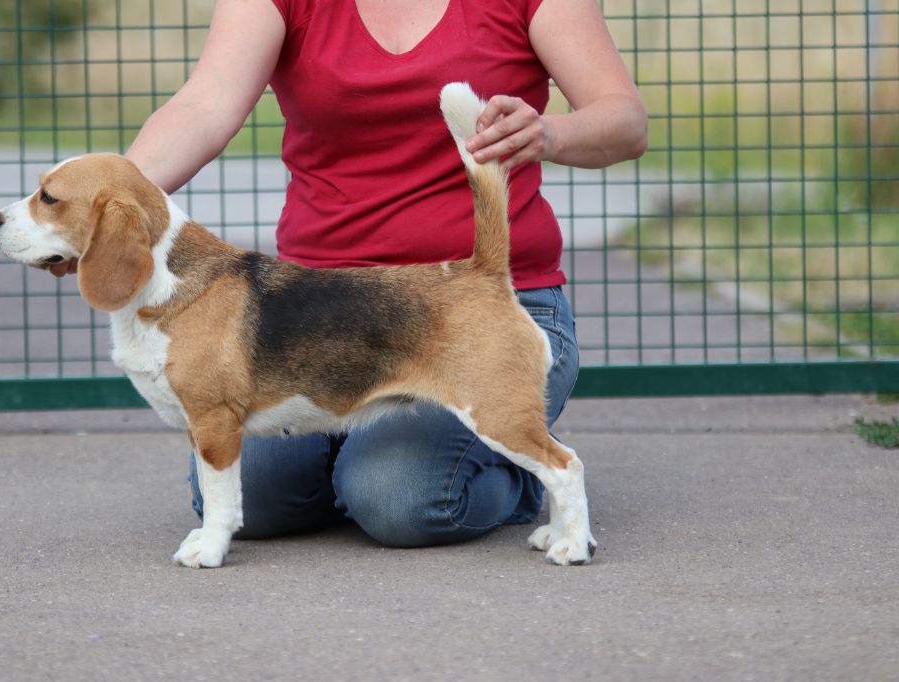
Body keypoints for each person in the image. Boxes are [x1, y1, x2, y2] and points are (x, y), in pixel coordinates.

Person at [52, 0, 647, 547]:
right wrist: (101, 214)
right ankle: (358, 451)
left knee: (400, 500)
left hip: (480, 307)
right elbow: (205, 105)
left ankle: (516, 474)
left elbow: (625, 122)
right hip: (313, 314)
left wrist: (548, 132)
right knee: (257, 503)